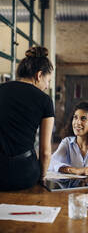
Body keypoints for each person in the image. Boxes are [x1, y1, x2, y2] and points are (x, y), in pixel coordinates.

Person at [0, 46, 55, 190]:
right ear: (39, 75)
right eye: (48, 80)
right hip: (25, 173)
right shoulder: (45, 100)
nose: (47, 86)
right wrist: (42, 177)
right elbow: (45, 152)